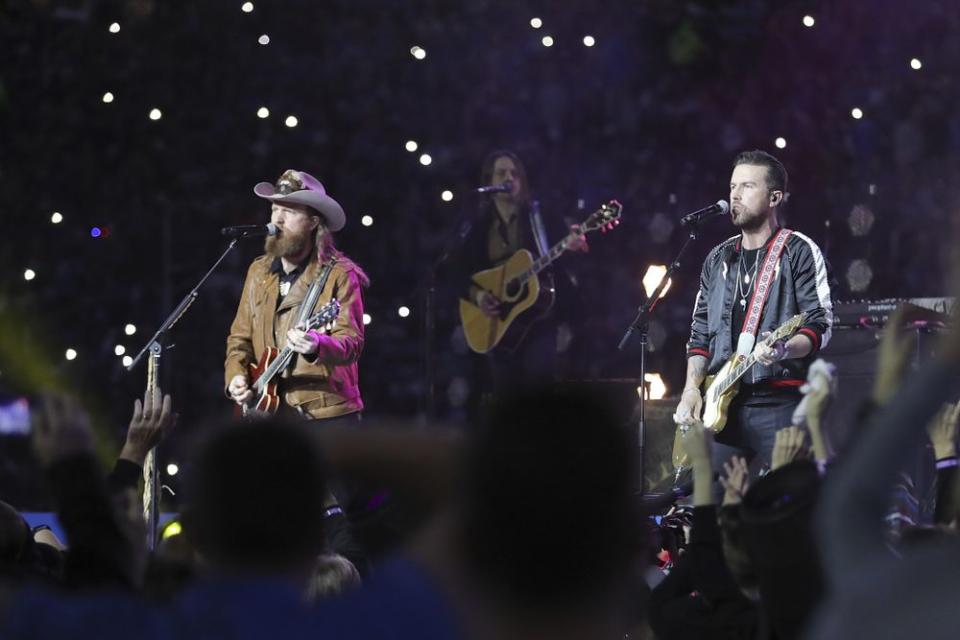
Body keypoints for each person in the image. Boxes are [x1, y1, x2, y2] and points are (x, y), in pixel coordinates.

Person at [674, 150, 833, 472]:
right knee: (697, 505)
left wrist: (783, 348)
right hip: (719, 407)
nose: (734, 195)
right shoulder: (717, 258)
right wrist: (691, 389)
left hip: (779, 402)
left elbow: (819, 325)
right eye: (732, 186)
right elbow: (700, 334)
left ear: (774, 197)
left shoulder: (798, 250)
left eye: (747, 186)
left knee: (790, 502)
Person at [225, 169, 369, 424]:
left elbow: (352, 343)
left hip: (326, 415)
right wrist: (236, 376)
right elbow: (240, 338)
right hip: (272, 415)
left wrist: (317, 345)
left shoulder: (340, 274)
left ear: (313, 222)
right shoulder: (259, 271)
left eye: (289, 212)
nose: (277, 220)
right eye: (274, 210)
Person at [456, 150, 587, 392]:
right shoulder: (479, 225)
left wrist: (572, 244)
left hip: (539, 320)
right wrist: (479, 296)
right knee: (505, 394)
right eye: (502, 173)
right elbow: (457, 271)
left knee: (539, 388)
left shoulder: (542, 216)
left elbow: (565, 254)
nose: (509, 178)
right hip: (499, 323)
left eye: (515, 173)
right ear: (490, 182)